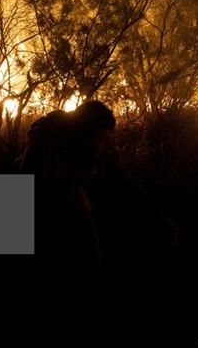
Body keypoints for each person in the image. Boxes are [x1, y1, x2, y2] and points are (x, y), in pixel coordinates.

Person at [17, 100, 178, 318]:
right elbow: (29, 203)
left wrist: (160, 219)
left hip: (70, 207)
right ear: (81, 136)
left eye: (109, 138)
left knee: (88, 265)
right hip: (34, 212)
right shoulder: (44, 146)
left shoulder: (100, 145)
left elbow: (125, 183)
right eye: (101, 140)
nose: (107, 145)